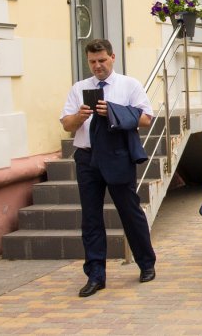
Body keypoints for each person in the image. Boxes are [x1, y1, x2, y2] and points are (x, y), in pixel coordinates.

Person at [60, 39, 156, 298]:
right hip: (87, 158)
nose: (97, 66)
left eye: (102, 60)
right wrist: (80, 116)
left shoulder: (129, 85)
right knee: (90, 217)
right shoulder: (79, 88)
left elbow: (146, 118)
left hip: (117, 154)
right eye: (92, 62)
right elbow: (66, 124)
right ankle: (95, 275)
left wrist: (113, 111)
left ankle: (146, 264)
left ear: (112, 57)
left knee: (129, 211)